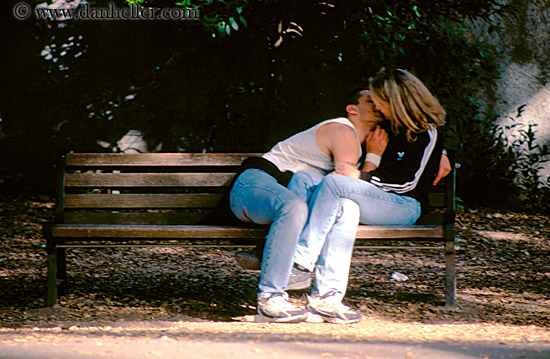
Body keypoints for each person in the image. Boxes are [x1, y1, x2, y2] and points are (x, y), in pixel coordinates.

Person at [286, 69, 448, 322]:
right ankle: (327, 299)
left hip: (404, 206)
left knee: (335, 182)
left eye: (380, 103)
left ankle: (300, 262)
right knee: (343, 206)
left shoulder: (425, 133)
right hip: (371, 198)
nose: (377, 109)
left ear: (396, 101)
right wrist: (368, 165)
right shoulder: (386, 126)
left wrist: (362, 177)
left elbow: (407, 184)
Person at [228, 89, 386, 323]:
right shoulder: (343, 130)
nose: (378, 104)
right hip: (256, 184)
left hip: (288, 194)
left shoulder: (362, 140)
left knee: (343, 207)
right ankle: (270, 300)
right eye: (370, 101)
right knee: (295, 206)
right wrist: (374, 159)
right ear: (352, 109)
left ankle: (324, 298)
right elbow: (347, 181)